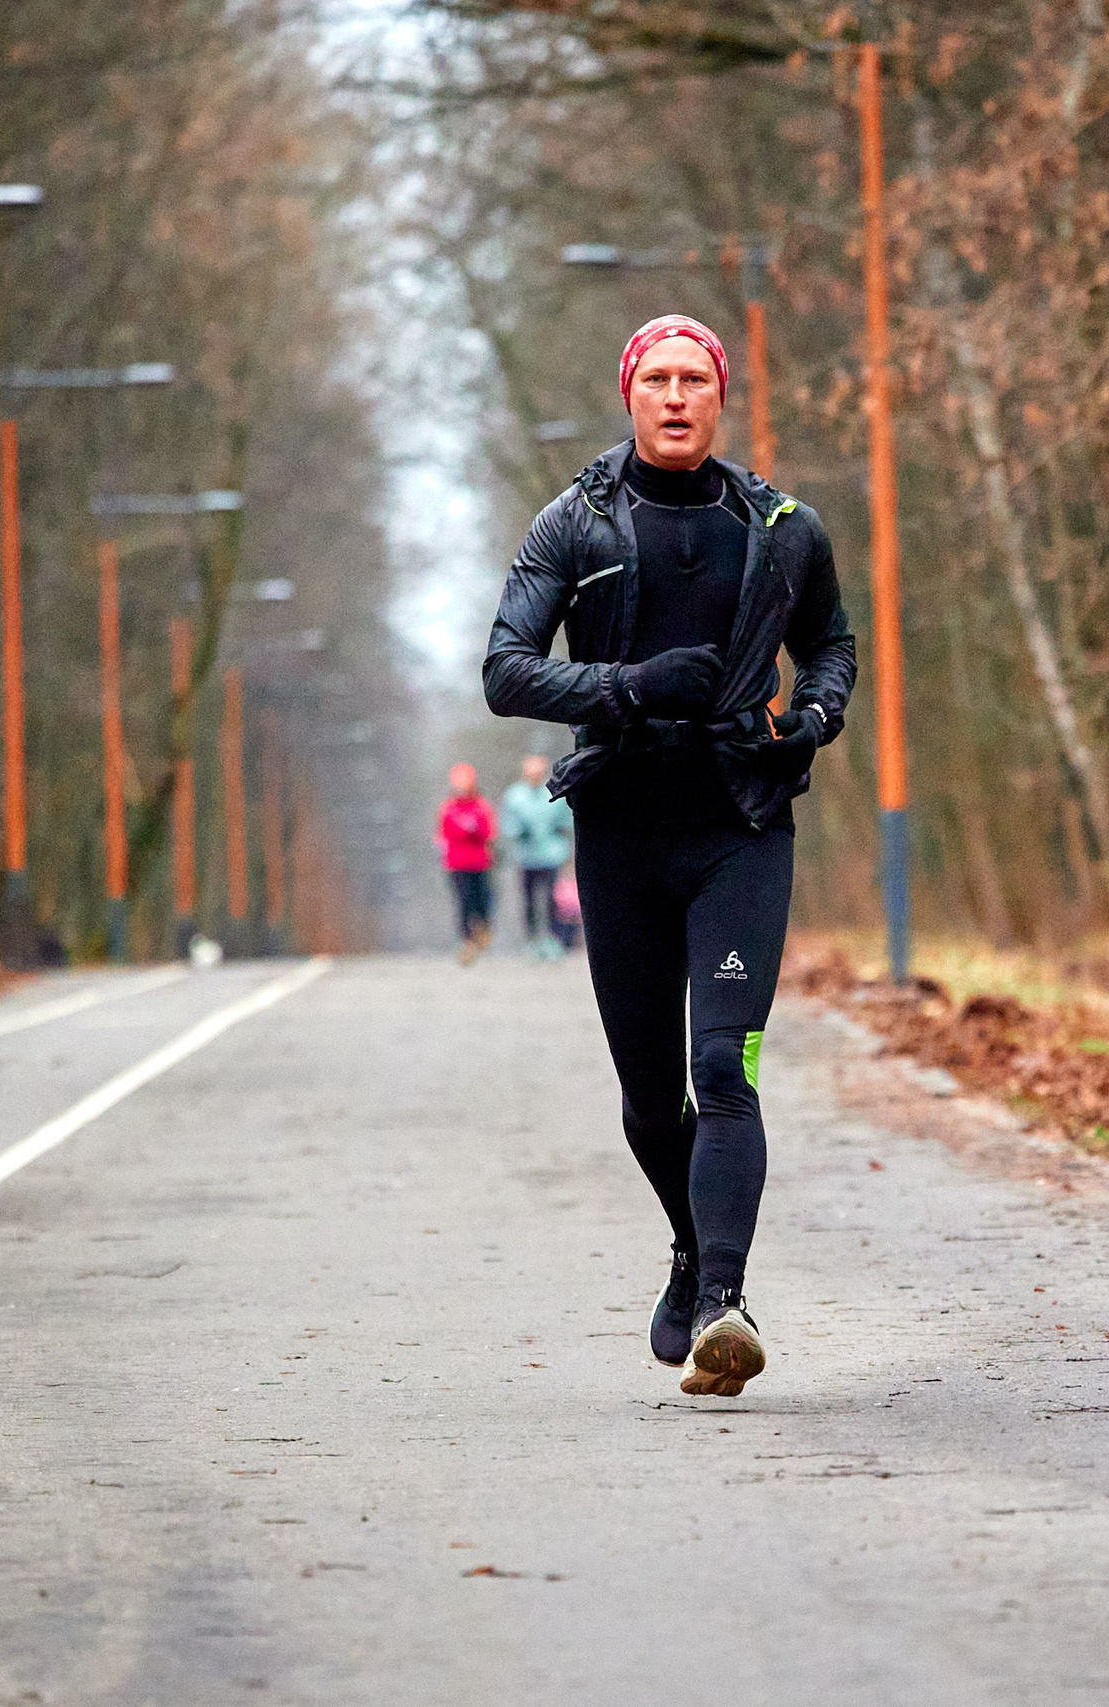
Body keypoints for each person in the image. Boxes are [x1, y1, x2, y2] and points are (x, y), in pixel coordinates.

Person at [483, 313, 856, 1397]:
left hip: (737, 828)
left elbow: (829, 642)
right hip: (620, 835)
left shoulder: (782, 526)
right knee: (651, 1096)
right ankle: (692, 1254)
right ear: (630, 394)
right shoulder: (576, 525)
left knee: (719, 1067)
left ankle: (725, 1307)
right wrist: (626, 688)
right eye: (660, 379)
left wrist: (816, 715)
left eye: (697, 378)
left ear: (720, 397)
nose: (679, 396)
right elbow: (505, 672)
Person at [498, 753, 576, 958]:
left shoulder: (552, 792)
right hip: (526, 856)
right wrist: (520, 831)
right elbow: (508, 824)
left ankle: (553, 939)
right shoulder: (515, 795)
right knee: (529, 899)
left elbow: (565, 820)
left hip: (551, 855)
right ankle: (532, 940)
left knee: (553, 899)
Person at [435, 762, 496, 964]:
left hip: (480, 863)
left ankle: (483, 930)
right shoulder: (448, 809)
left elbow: (489, 833)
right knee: (463, 902)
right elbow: (443, 835)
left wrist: (474, 831)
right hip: (457, 864)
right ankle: (467, 941)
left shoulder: (481, 806)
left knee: (481, 900)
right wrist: (465, 830)